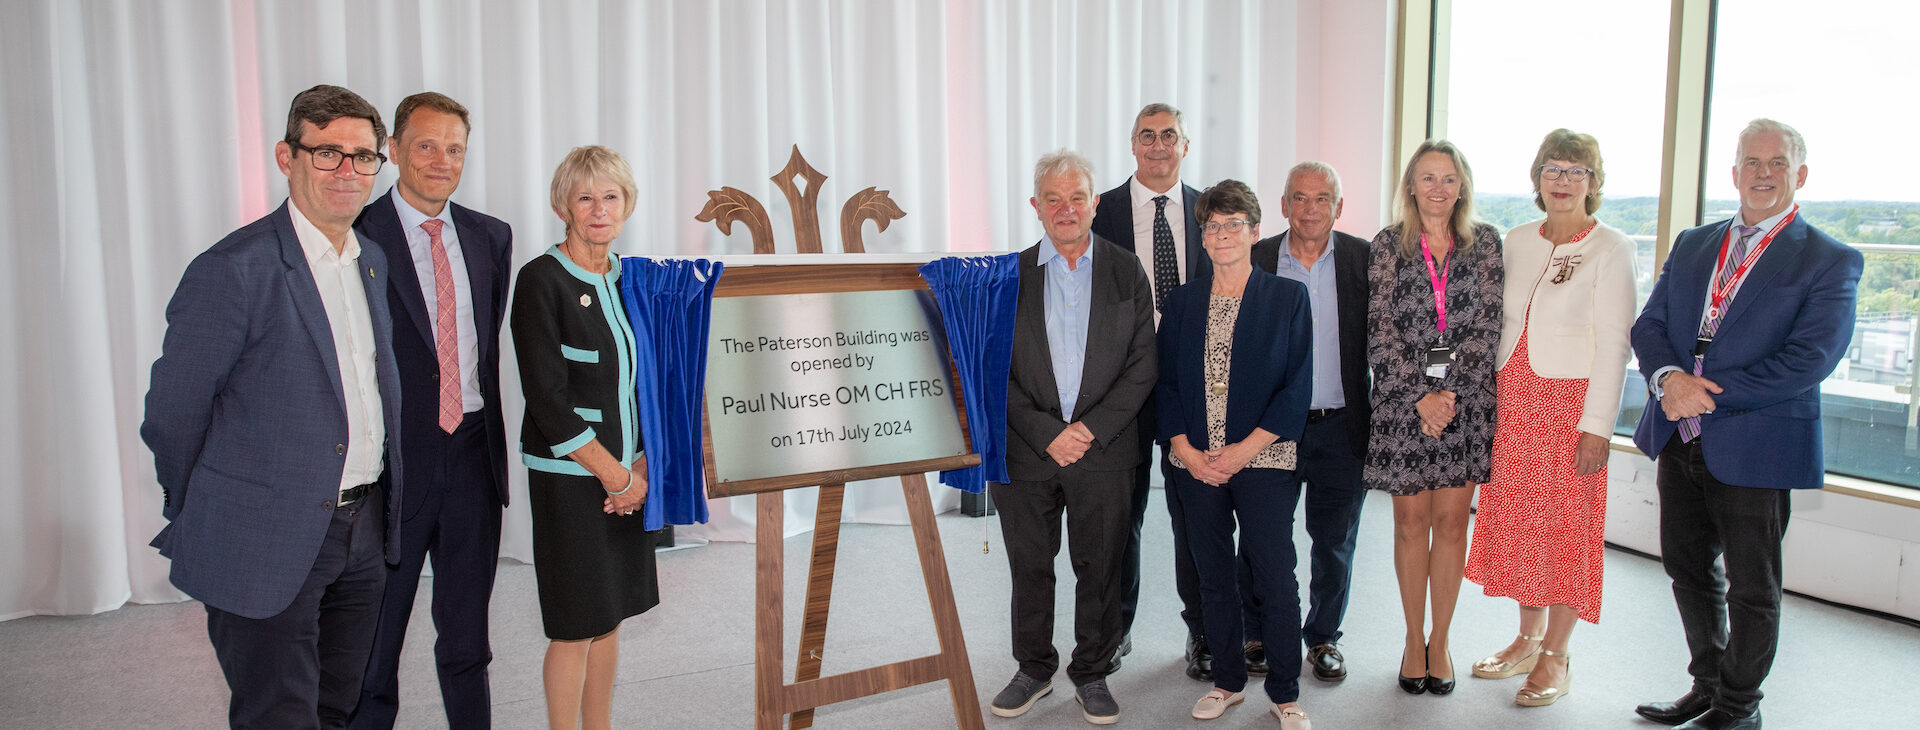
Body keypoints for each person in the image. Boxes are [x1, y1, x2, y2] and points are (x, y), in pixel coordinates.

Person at [141, 84, 405, 729]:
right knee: (277, 714)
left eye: (363, 157)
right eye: (328, 153)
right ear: (287, 157)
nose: (348, 171)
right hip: (262, 534)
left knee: (339, 706)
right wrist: (206, 506)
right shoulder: (234, 268)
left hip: (361, 529)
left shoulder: (370, 260)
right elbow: (172, 414)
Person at [1630, 119, 1862, 730]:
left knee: (1752, 587)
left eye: (1777, 164)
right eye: (1751, 162)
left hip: (1755, 442)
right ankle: (1707, 685)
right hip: (1679, 434)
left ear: (1800, 175)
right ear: (1734, 173)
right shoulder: (1693, 243)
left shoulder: (1830, 259)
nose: (1763, 173)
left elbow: (1810, 359)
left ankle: (1739, 707)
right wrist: (1667, 382)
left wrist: (1701, 395)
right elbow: (1648, 328)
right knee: (1687, 569)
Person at [349, 92, 514, 730]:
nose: (441, 161)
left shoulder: (489, 236)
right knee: (373, 649)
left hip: (473, 458)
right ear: (392, 150)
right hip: (392, 467)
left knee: (468, 642)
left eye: (455, 149)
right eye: (425, 145)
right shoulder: (358, 234)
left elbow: (483, 345)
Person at [1463, 129, 1637, 707]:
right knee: (1524, 527)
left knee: (1566, 530)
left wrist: (1598, 429)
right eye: (1553, 169)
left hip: (1570, 406)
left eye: (1576, 171)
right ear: (1538, 177)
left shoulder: (1612, 247)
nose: (1563, 181)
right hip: (1514, 400)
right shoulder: (1515, 240)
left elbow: (1616, 345)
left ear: (1593, 182)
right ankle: (1529, 638)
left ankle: (1559, 654)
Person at [990, 149, 1156, 726]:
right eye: (1053, 199)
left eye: (1077, 197)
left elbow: (1142, 364)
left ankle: (1092, 670)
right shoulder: (1005, 277)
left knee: (1102, 564)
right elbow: (993, 369)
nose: (1066, 209)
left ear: (1095, 203)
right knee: (1031, 565)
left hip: (1104, 449)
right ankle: (1034, 668)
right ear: (1036, 206)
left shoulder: (1126, 269)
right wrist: (1046, 433)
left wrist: (1086, 430)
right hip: (1028, 448)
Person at [1157, 180, 1314, 728]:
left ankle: (1285, 690)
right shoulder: (1182, 302)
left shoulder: (1288, 298)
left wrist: (1243, 451)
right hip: (1194, 461)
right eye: (1212, 226)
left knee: (1275, 574)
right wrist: (1187, 451)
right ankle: (1226, 681)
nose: (1222, 235)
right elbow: (1168, 386)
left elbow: (1296, 388)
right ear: (1202, 237)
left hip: (1263, 459)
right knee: (1213, 575)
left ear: (1254, 231)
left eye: (1233, 224)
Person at [509, 145, 657, 730]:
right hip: (573, 480)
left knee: (611, 614)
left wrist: (641, 468)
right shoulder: (540, 280)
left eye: (611, 196)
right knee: (576, 623)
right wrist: (616, 475)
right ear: (563, 206)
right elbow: (548, 399)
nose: (599, 209)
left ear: (627, 204)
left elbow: (650, 382)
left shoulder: (633, 278)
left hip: (630, 475)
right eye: (585, 197)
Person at [1364, 139, 1502, 697]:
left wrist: (1444, 398)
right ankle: (1411, 638)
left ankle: (1440, 640)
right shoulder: (1386, 246)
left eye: (1448, 178)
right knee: (1407, 525)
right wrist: (1422, 396)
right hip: (1403, 407)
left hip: (1465, 406)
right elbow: (1380, 331)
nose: (1438, 188)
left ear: (1462, 185)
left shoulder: (1485, 244)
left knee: (1450, 525)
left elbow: (1487, 327)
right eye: (1427, 178)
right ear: (1411, 186)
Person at [1088, 102, 1213, 679]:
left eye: (1170, 136)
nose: (1158, 145)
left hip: (1196, 384)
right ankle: (1115, 631)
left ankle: (1204, 633)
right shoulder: (1101, 211)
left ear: (1185, 145)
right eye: (1147, 136)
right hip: (1121, 387)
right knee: (1121, 516)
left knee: (1197, 515)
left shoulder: (1214, 211)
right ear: (1132, 145)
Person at [1248, 162, 1373, 683]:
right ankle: (1255, 632)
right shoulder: (1255, 259)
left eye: (1322, 199)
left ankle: (1323, 637)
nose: (1310, 209)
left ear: (1338, 207)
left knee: (1333, 539)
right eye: (1299, 198)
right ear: (1283, 206)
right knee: (1263, 536)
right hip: (1270, 426)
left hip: (1340, 426)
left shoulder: (1364, 259)